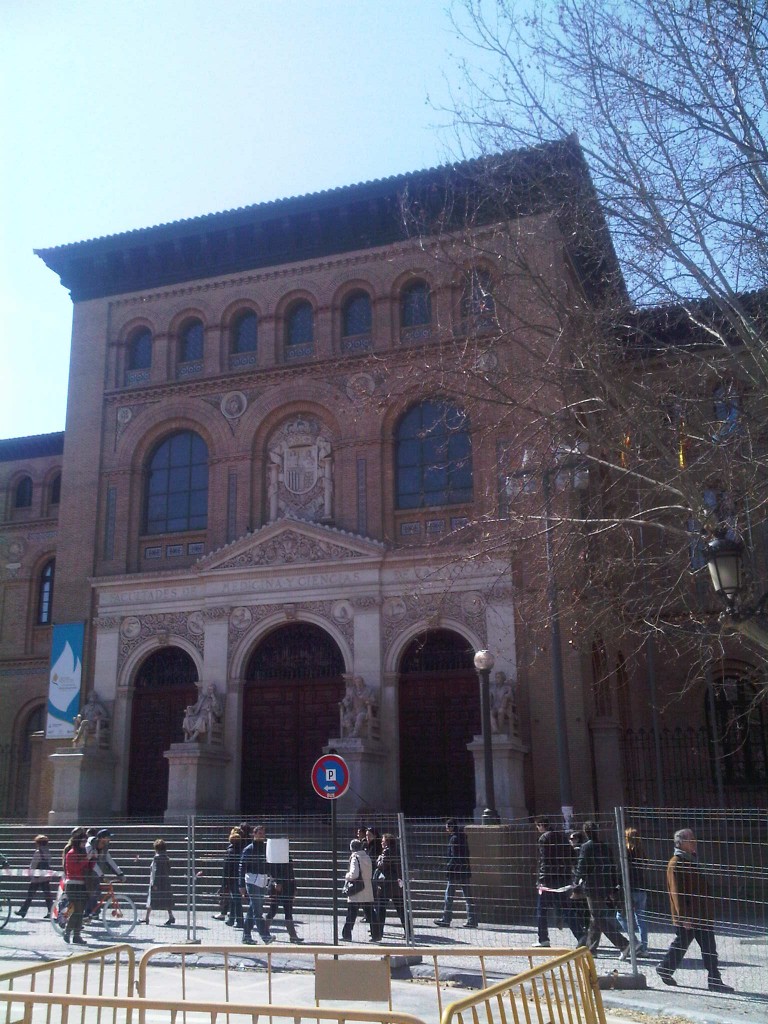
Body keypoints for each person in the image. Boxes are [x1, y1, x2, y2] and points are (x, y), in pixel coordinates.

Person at [656, 828, 734, 992]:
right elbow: (677, 892)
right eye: (691, 839)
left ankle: (712, 979)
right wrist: (684, 917)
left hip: (700, 914)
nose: (695, 842)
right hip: (690, 916)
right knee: (689, 945)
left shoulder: (690, 860)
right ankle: (667, 968)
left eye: (694, 838)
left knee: (706, 947)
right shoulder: (676, 862)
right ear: (681, 843)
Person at [573, 821, 629, 957]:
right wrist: (613, 885)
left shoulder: (586, 847)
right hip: (605, 885)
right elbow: (612, 865)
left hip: (592, 887)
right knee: (594, 917)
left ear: (586, 833)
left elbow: (581, 866)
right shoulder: (604, 846)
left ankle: (623, 944)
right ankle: (591, 949)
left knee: (597, 917)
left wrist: (575, 883)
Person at [533, 817, 582, 948]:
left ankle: (543, 938)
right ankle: (581, 935)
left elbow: (544, 861)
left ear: (541, 825)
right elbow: (572, 856)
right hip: (563, 878)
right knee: (566, 909)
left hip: (548, 880)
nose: (538, 829)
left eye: (538, 826)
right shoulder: (562, 837)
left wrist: (541, 880)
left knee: (541, 910)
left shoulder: (544, 838)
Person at [434, 818, 477, 928]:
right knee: (468, 896)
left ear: (451, 827)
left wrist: (449, 868)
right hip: (464, 870)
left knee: (449, 896)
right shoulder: (463, 837)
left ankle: (446, 919)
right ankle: (472, 920)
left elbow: (454, 856)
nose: (446, 829)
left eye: (447, 827)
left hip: (455, 871)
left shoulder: (454, 839)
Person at [616, 827, 649, 955]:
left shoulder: (626, 852)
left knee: (621, 916)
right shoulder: (641, 852)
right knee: (641, 918)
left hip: (630, 889)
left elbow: (622, 871)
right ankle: (644, 948)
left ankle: (635, 943)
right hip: (642, 888)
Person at [239, 825, 274, 945]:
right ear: (254, 834)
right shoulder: (249, 849)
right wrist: (241, 885)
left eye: (263, 834)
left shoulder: (266, 848)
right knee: (258, 910)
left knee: (252, 909)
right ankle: (265, 936)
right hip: (252, 881)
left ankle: (246, 935)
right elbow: (242, 867)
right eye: (259, 833)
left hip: (263, 880)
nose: (261, 836)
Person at [372, 832, 407, 941]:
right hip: (395, 884)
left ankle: (378, 934)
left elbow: (382, 865)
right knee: (401, 909)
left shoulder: (387, 851)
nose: (381, 842)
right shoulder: (397, 851)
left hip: (387, 884)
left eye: (383, 840)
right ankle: (409, 931)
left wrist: (379, 859)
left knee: (381, 909)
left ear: (387, 841)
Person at [85, 829, 124, 918]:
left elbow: (109, 860)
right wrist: (102, 876)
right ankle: (86, 914)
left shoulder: (104, 847)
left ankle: (93, 912)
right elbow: (92, 863)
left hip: (95, 874)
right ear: (102, 838)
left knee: (96, 892)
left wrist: (120, 873)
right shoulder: (89, 846)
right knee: (91, 892)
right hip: (85, 872)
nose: (109, 840)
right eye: (108, 838)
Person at [341, 838, 374, 941]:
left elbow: (354, 874)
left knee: (351, 914)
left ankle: (346, 934)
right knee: (370, 913)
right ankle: (376, 933)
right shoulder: (367, 856)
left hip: (357, 890)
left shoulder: (355, 858)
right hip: (367, 888)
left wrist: (347, 876)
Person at [265, 856, 303, 943]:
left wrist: (294, 888)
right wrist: (276, 882)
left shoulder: (287, 856)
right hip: (276, 887)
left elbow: (291, 874)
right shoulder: (274, 855)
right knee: (273, 910)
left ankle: (293, 935)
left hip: (288, 887)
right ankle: (264, 931)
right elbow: (271, 871)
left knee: (288, 912)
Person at [62, 828, 90, 945]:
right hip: (73, 884)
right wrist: (86, 860)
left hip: (82, 884)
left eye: (85, 842)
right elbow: (75, 868)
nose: (84, 845)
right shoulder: (71, 853)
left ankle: (76, 935)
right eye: (82, 842)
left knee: (80, 911)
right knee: (78, 910)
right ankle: (67, 932)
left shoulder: (82, 853)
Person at [15, 834, 54, 919]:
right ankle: (51, 912)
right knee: (48, 895)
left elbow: (33, 865)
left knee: (30, 895)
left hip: (37, 876)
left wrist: (31, 873)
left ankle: (23, 911)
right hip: (45, 875)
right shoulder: (48, 851)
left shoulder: (38, 852)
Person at [145, 839, 175, 927]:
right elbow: (169, 869)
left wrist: (154, 883)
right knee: (166, 900)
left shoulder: (156, 858)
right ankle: (171, 916)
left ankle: (146, 917)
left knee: (151, 899)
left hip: (157, 882)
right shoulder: (167, 858)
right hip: (165, 881)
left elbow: (155, 871)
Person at [221, 827, 246, 928]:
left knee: (236, 899)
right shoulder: (243, 849)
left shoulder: (230, 851)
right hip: (240, 876)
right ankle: (231, 919)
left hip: (232, 878)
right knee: (234, 899)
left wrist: (224, 881)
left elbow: (227, 867)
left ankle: (240, 921)